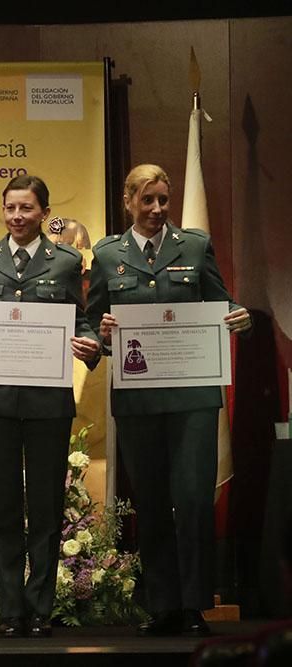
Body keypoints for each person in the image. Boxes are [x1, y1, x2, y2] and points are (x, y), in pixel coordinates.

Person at [86, 163, 252, 636]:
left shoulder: (195, 246)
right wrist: (100, 334)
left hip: (193, 397)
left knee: (195, 499)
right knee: (153, 503)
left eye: (163, 200)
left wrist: (241, 318)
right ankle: (161, 605)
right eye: (148, 201)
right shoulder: (106, 254)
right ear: (128, 201)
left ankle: (195, 604)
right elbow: (92, 321)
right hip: (138, 401)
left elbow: (225, 303)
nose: (158, 209)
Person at [0, 175, 101, 638]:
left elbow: (84, 321)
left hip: (48, 401)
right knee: (3, 504)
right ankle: (11, 608)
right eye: (10, 208)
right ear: (2, 210)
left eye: (26, 208)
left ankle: (41, 607)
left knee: (47, 508)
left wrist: (89, 343)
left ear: (44, 213)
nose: (16, 216)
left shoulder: (67, 261)